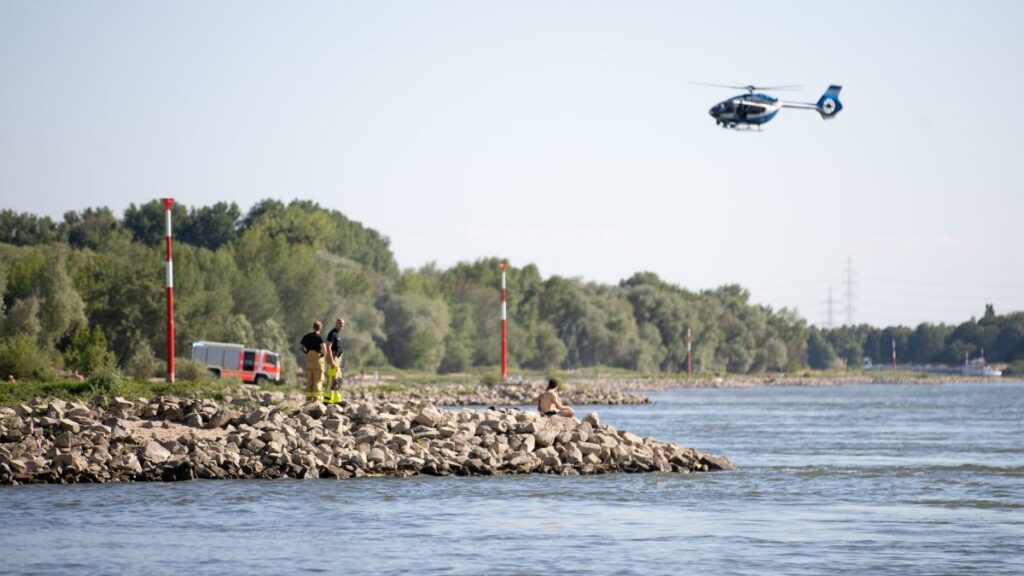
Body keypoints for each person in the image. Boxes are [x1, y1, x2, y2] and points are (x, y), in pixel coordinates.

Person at [300, 321, 327, 403]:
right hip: (317, 361)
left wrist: (306, 353)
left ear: (313, 327)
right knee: (318, 381)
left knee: (309, 381)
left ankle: (308, 399)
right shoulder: (319, 338)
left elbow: (301, 347)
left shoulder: (306, 336)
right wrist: (322, 355)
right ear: (320, 328)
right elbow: (325, 350)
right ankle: (316, 400)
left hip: (309, 360)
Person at [324, 318, 346, 403]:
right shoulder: (332, 334)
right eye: (340, 324)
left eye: (343, 325)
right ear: (336, 324)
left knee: (338, 380)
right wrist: (331, 361)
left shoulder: (338, 334)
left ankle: (337, 400)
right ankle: (327, 400)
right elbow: (328, 347)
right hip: (333, 359)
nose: (342, 326)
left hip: (338, 359)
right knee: (331, 380)